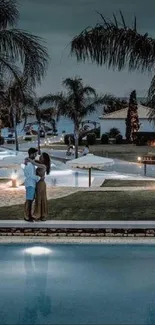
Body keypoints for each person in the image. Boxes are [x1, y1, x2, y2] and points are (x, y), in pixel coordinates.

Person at [27, 152, 51, 221]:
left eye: (42, 157)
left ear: (44, 159)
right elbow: (35, 161)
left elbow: (35, 163)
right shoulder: (42, 164)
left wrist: (29, 159)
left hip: (41, 184)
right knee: (39, 199)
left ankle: (40, 215)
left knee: (40, 199)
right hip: (39, 183)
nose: (40, 157)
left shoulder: (43, 166)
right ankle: (41, 215)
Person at [24, 147, 41, 222]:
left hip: (30, 184)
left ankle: (29, 215)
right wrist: (39, 178)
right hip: (30, 184)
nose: (36, 155)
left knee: (30, 200)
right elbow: (31, 175)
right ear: (31, 154)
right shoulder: (29, 164)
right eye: (35, 154)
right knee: (29, 201)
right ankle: (28, 216)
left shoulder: (28, 163)